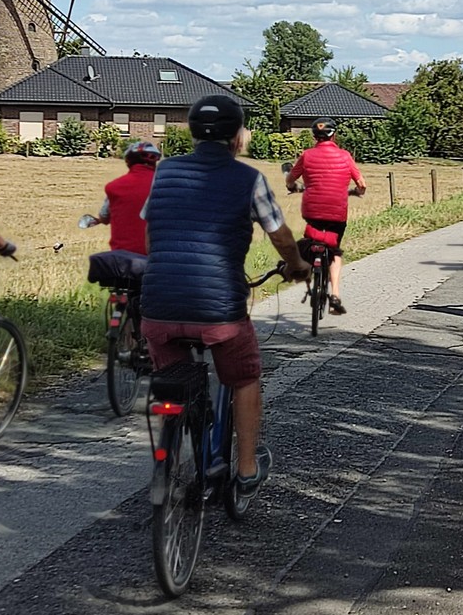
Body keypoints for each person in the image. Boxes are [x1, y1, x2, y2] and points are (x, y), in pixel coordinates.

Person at [141, 95, 310, 506]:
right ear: (236, 137)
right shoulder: (247, 179)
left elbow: (152, 229)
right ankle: (247, 469)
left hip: (158, 303)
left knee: (176, 377)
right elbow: (281, 235)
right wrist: (298, 265)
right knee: (244, 377)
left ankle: (181, 443)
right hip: (219, 309)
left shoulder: (163, 173)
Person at [285, 117, 366, 316]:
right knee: (334, 250)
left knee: (312, 239)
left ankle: (311, 264)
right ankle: (335, 296)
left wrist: (292, 187)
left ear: (314, 136)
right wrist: (357, 191)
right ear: (334, 134)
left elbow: (290, 179)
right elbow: (362, 184)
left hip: (312, 211)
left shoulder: (306, 155)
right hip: (337, 213)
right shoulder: (345, 156)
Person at [94, 141, 162, 255]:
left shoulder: (114, 187)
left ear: (128, 161)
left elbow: (104, 217)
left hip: (123, 259)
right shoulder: (167, 185)